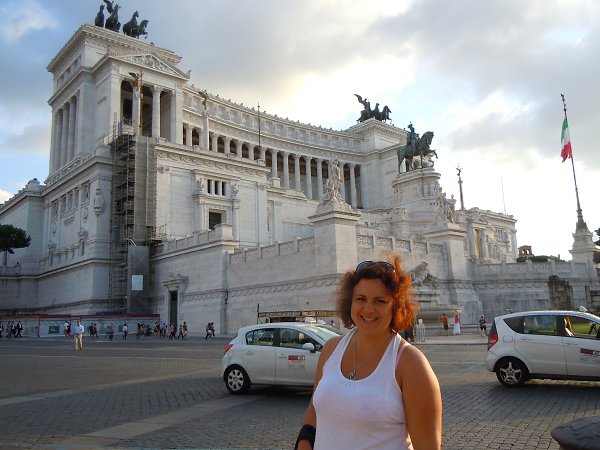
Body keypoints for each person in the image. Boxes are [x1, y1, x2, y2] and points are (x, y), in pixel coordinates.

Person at [296, 257, 442, 450]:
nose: (369, 309)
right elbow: (314, 411)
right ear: (350, 302)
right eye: (361, 299)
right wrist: (303, 443)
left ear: (395, 306)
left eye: (380, 301)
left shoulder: (410, 363)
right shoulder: (331, 349)